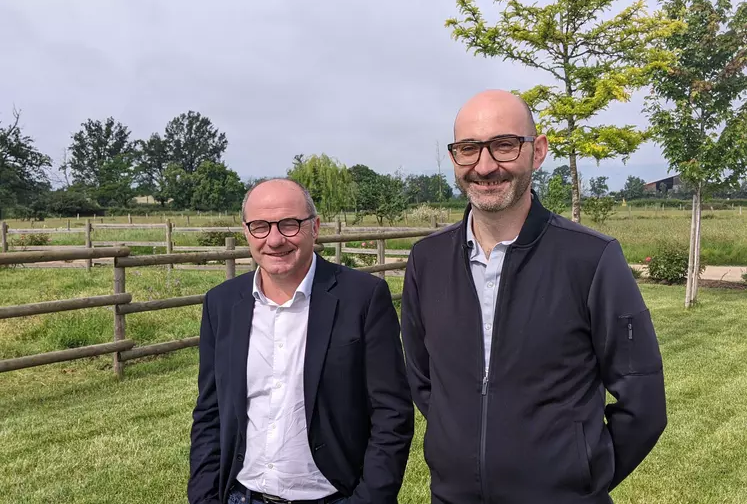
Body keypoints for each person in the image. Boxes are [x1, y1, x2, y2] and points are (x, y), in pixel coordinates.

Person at [401, 90, 667, 504]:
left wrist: (581, 474)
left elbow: (644, 397)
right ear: (454, 158)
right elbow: (423, 381)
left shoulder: (592, 258)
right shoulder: (426, 261)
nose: (485, 166)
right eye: (468, 149)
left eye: (504, 145)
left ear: (537, 151)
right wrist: (457, 445)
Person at [188, 178, 414, 504]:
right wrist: (204, 496)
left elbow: (392, 414)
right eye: (260, 227)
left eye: (290, 225)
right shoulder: (221, 304)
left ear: (315, 227)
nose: (275, 239)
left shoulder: (362, 298)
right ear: (246, 232)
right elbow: (210, 413)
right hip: (241, 496)